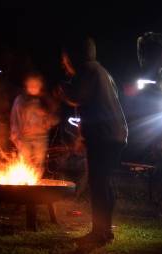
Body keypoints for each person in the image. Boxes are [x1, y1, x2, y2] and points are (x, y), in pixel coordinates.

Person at [58, 36, 128, 246]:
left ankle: (99, 233)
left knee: (98, 185)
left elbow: (77, 96)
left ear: (75, 56)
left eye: (65, 58)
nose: (63, 63)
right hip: (113, 135)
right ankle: (104, 231)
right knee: (103, 184)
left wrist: (61, 89)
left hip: (104, 136)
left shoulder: (88, 70)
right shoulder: (101, 71)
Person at [10, 72, 57, 172]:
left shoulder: (45, 100)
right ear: (26, 85)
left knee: (38, 164)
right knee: (25, 163)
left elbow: (54, 116)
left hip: (41, 138)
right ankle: (26, 184)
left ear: (41, 85)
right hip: (25, 137)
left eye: (36, 85)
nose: (33, 87)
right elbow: (15, 118)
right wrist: (15, 134)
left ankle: (36, 183)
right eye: (31, 85)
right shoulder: (21, 100)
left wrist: (48, 122)